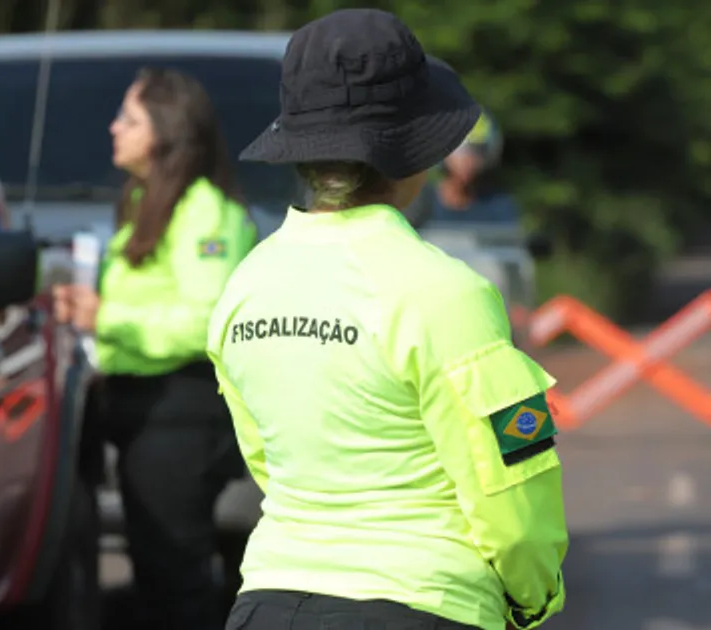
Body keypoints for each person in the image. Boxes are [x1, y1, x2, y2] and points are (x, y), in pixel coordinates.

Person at [207, 9, 567, 630]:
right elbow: (513, 475)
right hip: (422, 600)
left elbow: (269, 460)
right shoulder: (449, 294)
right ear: (415, 155)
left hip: (267, 600)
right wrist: (534, 596)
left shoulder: (244, 288)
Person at [52, 66, 258, 629]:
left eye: (130, 118)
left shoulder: (204, 213)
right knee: (155, 570)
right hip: (141, 407)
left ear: (166, 130)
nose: (114, 128)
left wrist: (106, 317)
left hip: (182, 409)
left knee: (176, 578)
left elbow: (208, 321)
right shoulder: (146, 201)